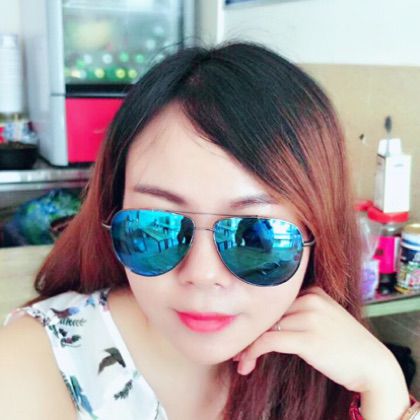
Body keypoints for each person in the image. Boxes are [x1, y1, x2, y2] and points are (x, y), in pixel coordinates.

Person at [0, 42, 418, 420]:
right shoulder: (34, 364)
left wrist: (384, 388)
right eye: (157, 226)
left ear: (316, 240)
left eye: (255, 237)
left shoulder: (335, 371)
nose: (202, 273)